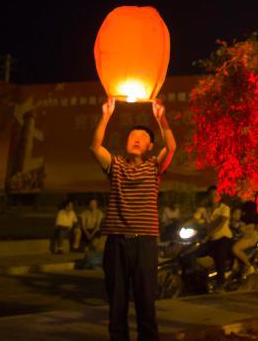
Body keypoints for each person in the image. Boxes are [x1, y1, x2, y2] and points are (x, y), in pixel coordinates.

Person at [90, 97, 176, 341]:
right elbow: (95, 147)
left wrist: (161, 119)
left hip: (145, 244)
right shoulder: (115, 165)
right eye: (132, 136)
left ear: (150, 146)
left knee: (145, 303)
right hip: (116, 243)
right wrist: (106, 115)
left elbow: (171, 148)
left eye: (142, 137)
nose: (136, 139)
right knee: (116, 304)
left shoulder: (154, 168)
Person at [193, 185, 233, 290]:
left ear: (219, 196)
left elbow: (221, 222)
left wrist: (211, 233)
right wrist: (181, 226)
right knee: (194, 252)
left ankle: (221, 283)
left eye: (215, 195)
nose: (213, 197)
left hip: (223, 238)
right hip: (210, 239)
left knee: (219, 256)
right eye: (211, 195)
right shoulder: (204, 210)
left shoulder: (224, 208)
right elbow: (194, 219)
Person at [231, 200, 258, 277]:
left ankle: (249, 265)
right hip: (247, 236)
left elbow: (250, 226)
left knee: (235, 248)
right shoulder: (249, 213)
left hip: (250, 237)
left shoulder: (247, 214)